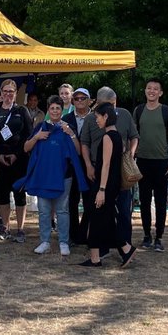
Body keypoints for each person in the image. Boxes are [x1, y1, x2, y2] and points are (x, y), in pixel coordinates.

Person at [19, 96, 86, 256]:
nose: (55, 111)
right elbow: (26, 148)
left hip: (64, 176)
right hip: (43, 176)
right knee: (44, 210)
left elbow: (78, 151)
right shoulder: (40, 127)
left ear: (62, 110)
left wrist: (71, 134)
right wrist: (37, 137)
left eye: (58, 108)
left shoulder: (67, 127)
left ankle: (63, 241)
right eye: (52, 108)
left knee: (62, 210)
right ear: (48, 110)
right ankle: (45, 241)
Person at [80, 86, 139, 252]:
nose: (111, 109)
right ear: (98, 104)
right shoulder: (92, 119)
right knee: (101, 212)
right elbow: (84, 143)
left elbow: (134, 137)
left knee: (122, 210)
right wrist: (89, 165)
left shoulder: (124, 115)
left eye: (113, 104)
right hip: (98, 169)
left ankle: (124, 246)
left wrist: (130, 156)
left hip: (118, 169)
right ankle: (106, 248)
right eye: (106, 105)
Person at [134, 79, 168, 252]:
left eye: (155, 89)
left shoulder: (166, 111)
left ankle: (159, 237)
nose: (151, 91)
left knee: (160, 202)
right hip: (142, 161)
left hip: (161, 162)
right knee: (144, 201)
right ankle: (146, 235)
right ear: (145, 91)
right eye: (149, 88)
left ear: (160, 93)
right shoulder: (138, 111)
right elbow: (133, 137)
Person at [0, 77, 34, 242]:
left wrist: (16, 154)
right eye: (5, 91)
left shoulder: (22, 111)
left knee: (19, 194)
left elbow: (28, 135)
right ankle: (6, 228)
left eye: (12, 91)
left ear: (16, 93)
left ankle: (20, 229)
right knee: (2, 195)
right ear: (1, 93)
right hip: (1, 160)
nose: (8, 94)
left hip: (19, 159)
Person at [65, 88, 94, 244]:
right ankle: (73, 235)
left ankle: (86, 233)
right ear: (72, 101)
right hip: (72, 164)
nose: (80, 101)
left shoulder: (97, 117)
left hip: (91, 164)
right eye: (77, 98)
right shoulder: (66, 118)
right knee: (72, 200)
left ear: (89, 100)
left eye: (83, 98)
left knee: (90, 200)